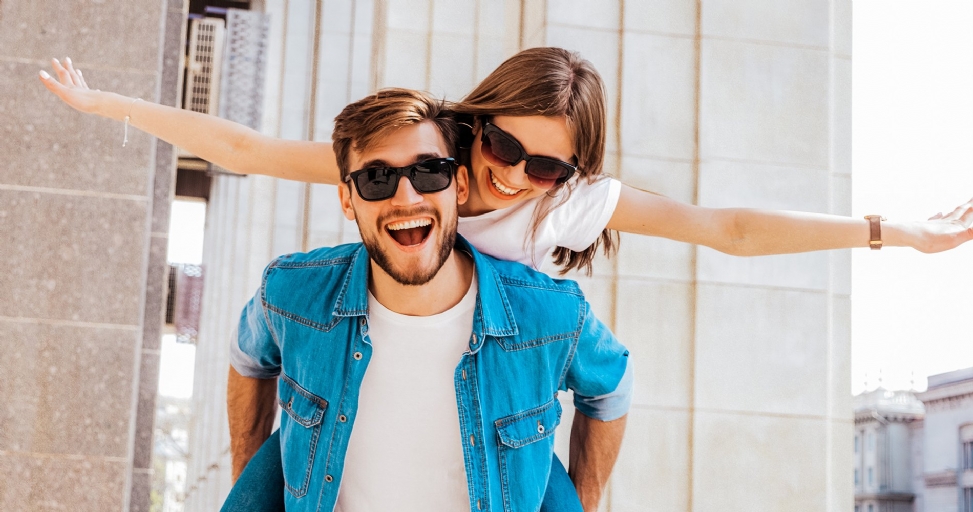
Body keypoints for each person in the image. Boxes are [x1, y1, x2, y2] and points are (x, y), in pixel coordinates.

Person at [226, 88, 631, 511]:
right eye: (376, 179)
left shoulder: (549, 317)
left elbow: (611, 388)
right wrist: (247, 483)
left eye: (429, 172)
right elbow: (249, 359)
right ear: (348, 198)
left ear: (458, 185)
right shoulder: (292, 294)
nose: (407, 199)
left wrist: (583, 499)